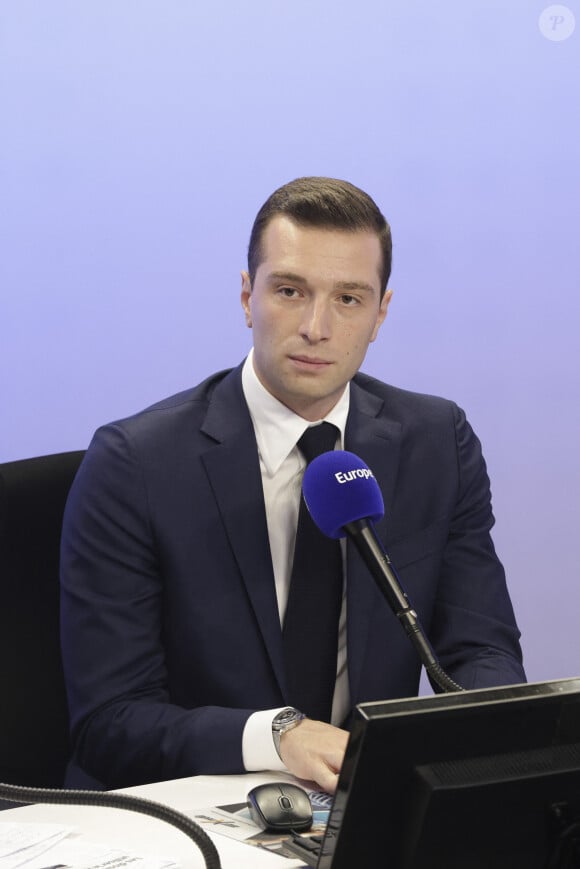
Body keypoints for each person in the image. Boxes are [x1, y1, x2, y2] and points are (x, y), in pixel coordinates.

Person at [60, 176, 525, 795]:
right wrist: (278, 736)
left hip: (354, 808)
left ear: (381, 313)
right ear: (247, 295)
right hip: (187, 806)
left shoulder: (437, 442)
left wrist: (480, 746)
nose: (316, 326)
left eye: (349, 299)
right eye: (289, 290)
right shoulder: (134, 463)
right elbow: (109, 721)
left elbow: (481, 649)